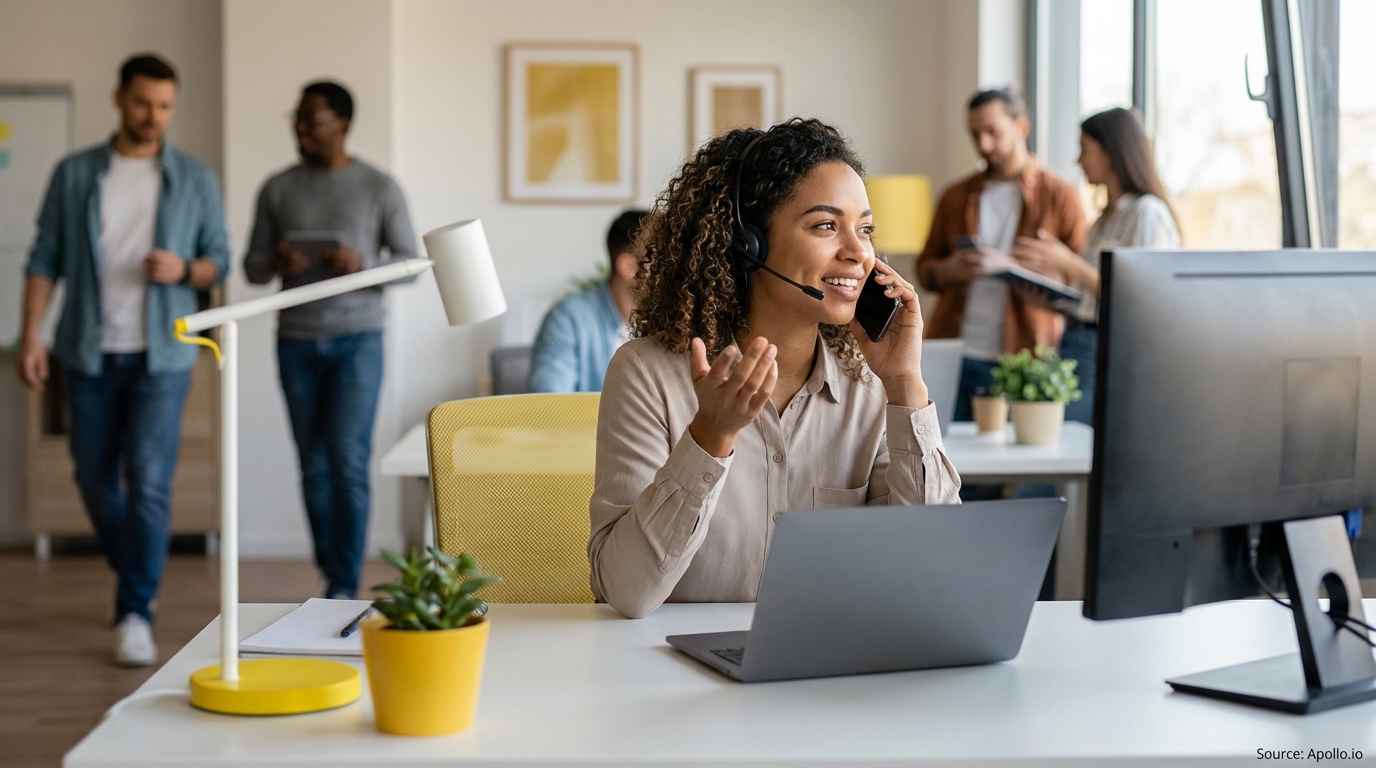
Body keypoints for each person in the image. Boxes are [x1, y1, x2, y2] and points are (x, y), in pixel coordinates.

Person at [588, 119, 962, 619]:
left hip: (822, 669)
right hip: (673, 672)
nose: (859, 253)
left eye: (865, 229)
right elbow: (627, 592)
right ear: (748, 244)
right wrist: (709, 438)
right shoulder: (648, 375)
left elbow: (935, 564)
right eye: (826, 225)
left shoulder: (871, 385)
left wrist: (903, 383)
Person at [14, 54, 230, 666]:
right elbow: (43, 258)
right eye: (142, 104)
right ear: (118, 99)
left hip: (163, 354)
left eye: (164, 106)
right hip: (87, 350)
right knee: (91, 476)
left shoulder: (194, 178)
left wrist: (185, 270)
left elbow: (220, 259)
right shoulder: (76, 173)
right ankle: (137, 562)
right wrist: (31, 337)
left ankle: (136, 609)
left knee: (151, 485)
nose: (153, 117)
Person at [243, 81, 417, 600]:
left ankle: (343, 582)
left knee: (346, 459)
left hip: (357, 342)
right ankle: (332, 569)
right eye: (296, 119)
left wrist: (362, 266)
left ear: (341, 124)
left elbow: (410, 266)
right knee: (312, 464)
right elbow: (251, 269)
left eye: (310, 120)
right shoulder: (277, 188)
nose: (300, 129)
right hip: (295, 341)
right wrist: (276, 261)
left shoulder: (379, 187)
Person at [916, 89, 1087, 422]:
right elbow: (926, 270)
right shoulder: (955, 195)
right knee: (948, 463)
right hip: (955, 349)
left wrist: (1043, 275)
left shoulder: (1060, 195)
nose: (984, 145)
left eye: (992, 131)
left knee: (1017, 468)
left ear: (1021, 126)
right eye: (975, 134)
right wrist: (949, 269)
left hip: (1025, 357)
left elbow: (1081, 284)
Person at [1010, 107, 1179, 424]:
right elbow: (1095, 294)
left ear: (1112, 152)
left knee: (1065, 445)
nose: (1078, 161)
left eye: (1085, 150)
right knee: (1062, 443)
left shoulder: (1146, 214)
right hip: (1078, 338)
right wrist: (1049, 297)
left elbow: (1143, 295)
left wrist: (1069, 263)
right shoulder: (1104, 220)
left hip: (1105, 346)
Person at [527, 209, 647, 392]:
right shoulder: (568, 319)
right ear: (629, 267)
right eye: (662, 260)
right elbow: (549, 406)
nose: (673, 270)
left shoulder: (675, 321)